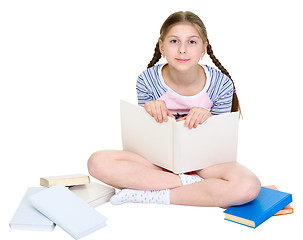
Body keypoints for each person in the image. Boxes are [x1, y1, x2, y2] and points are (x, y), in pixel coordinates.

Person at [87, 11, 261, 208]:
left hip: (206, 165)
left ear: (204, 48)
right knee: (97, 162)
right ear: (162, 46)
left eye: (192, 42)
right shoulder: (147, 80)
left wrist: (209, 118)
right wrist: (149, 112)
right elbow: (142, 141)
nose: (182, 50)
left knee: (248, 186)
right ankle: (193, 186)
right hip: (159, 163)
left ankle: (151, 195)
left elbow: (221, 146)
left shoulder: (221, 84)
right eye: (174, 41)